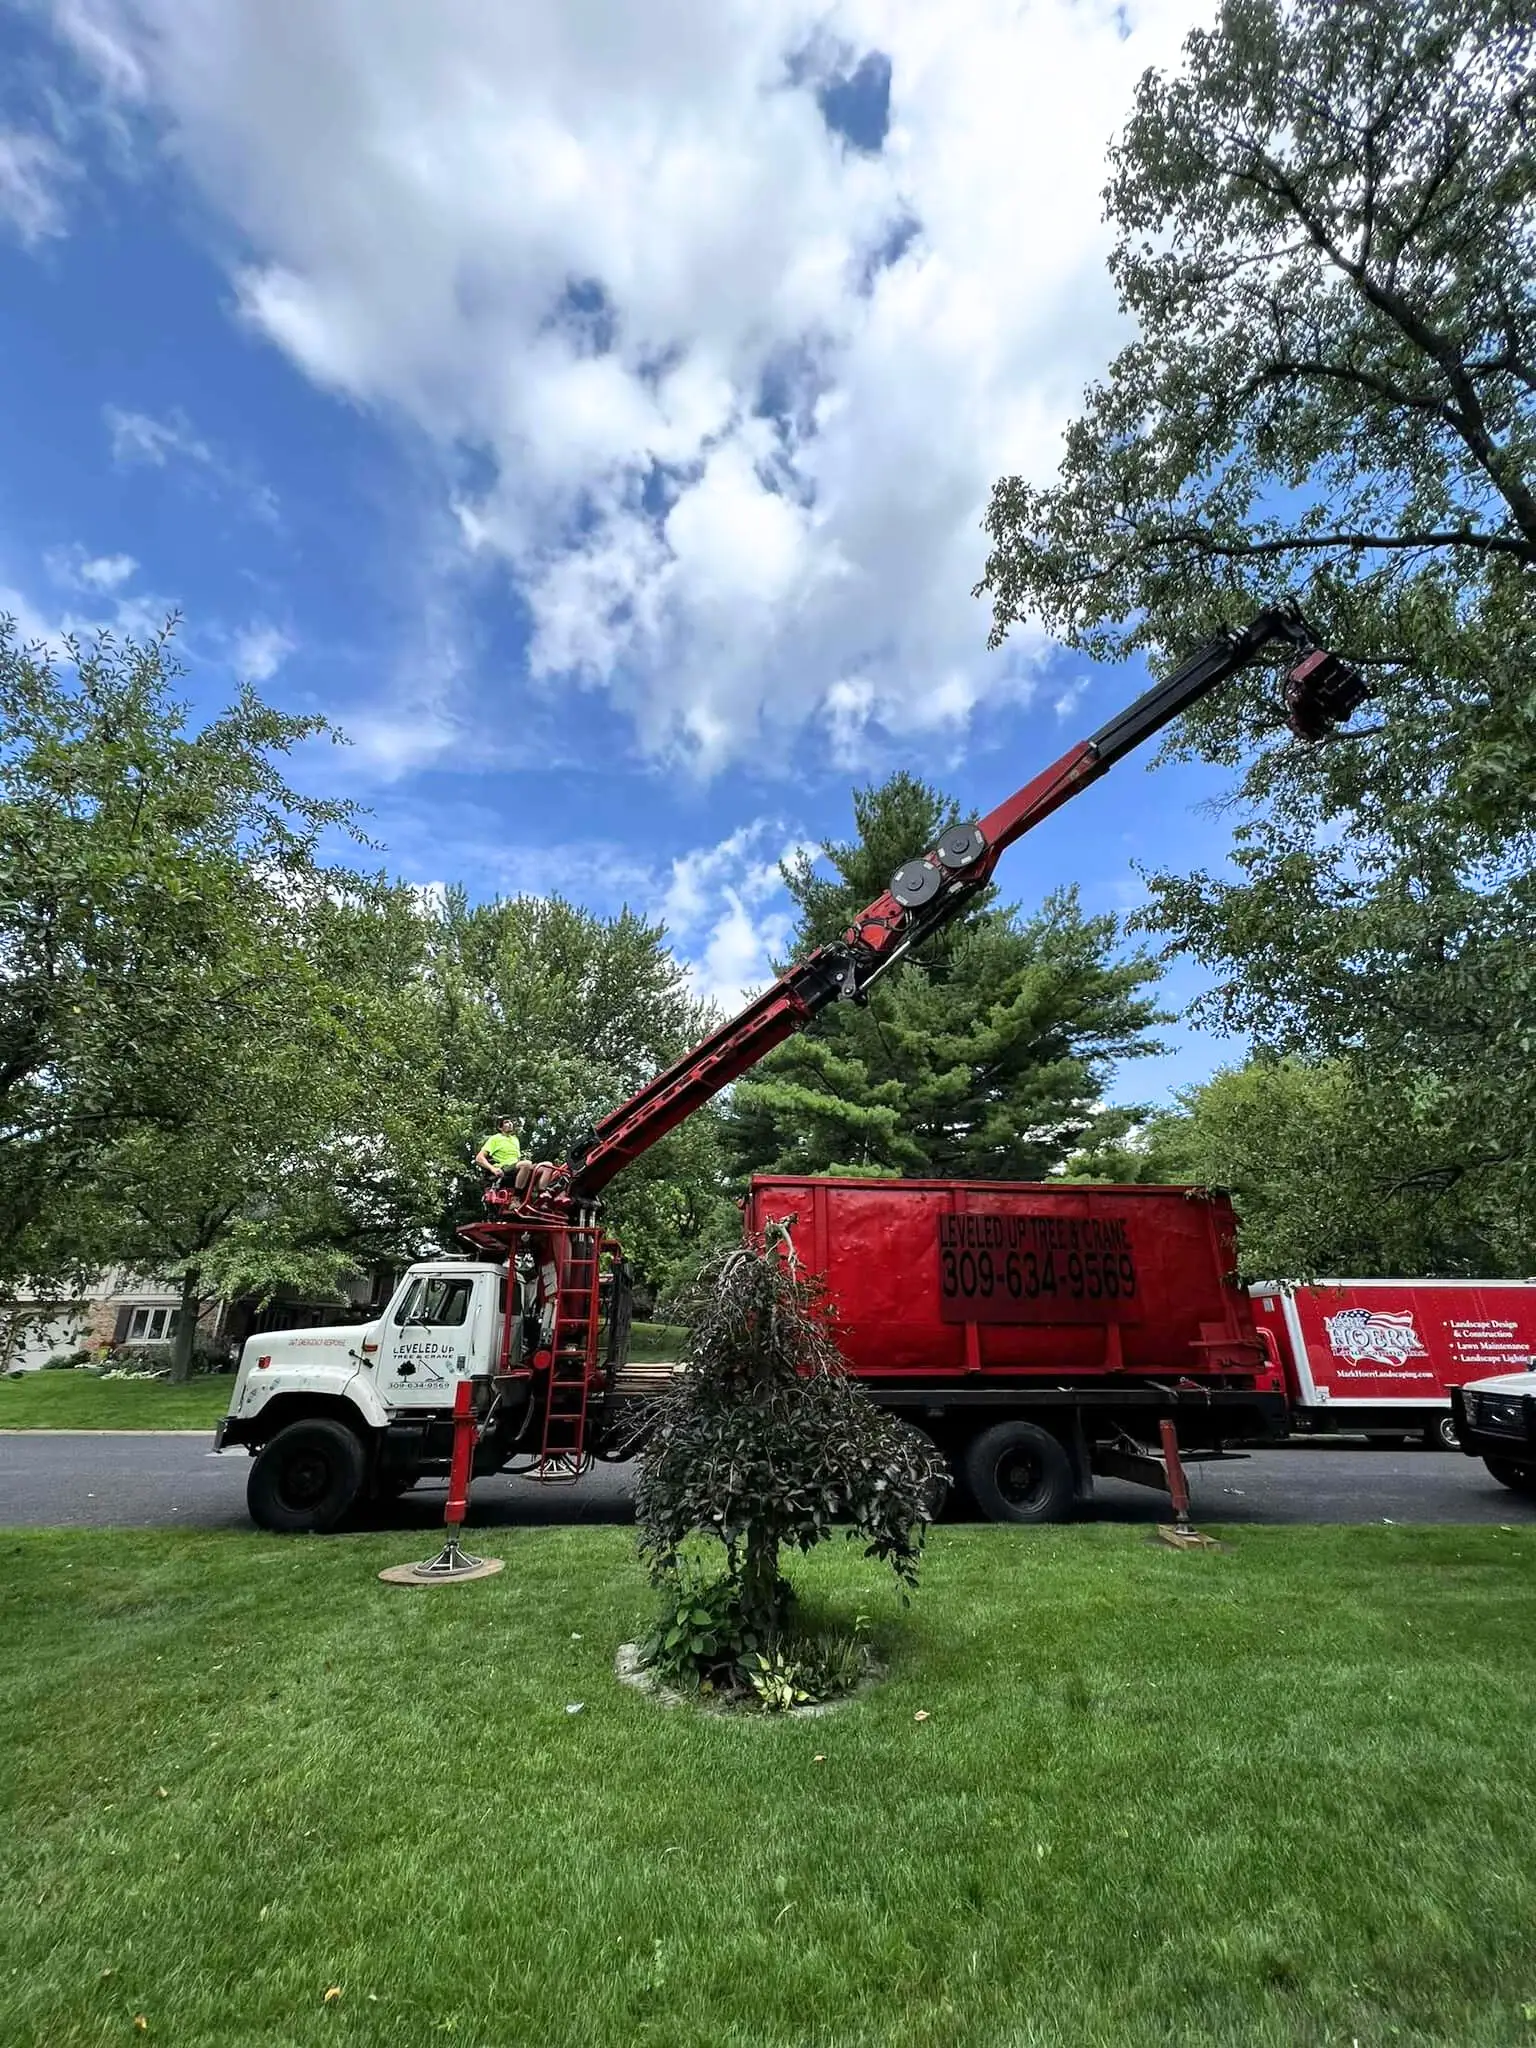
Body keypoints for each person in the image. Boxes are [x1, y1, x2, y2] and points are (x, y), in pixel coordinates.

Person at [474, 1117, 522, 1187]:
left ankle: (541, 1194)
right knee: (526, 1164)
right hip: (504, 1167)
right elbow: (479, 1158)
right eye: (506, 1122)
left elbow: (518, 1158)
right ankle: (517, 1195)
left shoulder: (515, 1140)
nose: (510, 1124)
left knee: (542, 1168)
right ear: (500, 1128)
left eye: (511, 1122)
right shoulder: (495, 1138)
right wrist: (493, 1169)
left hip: (515, 1168)